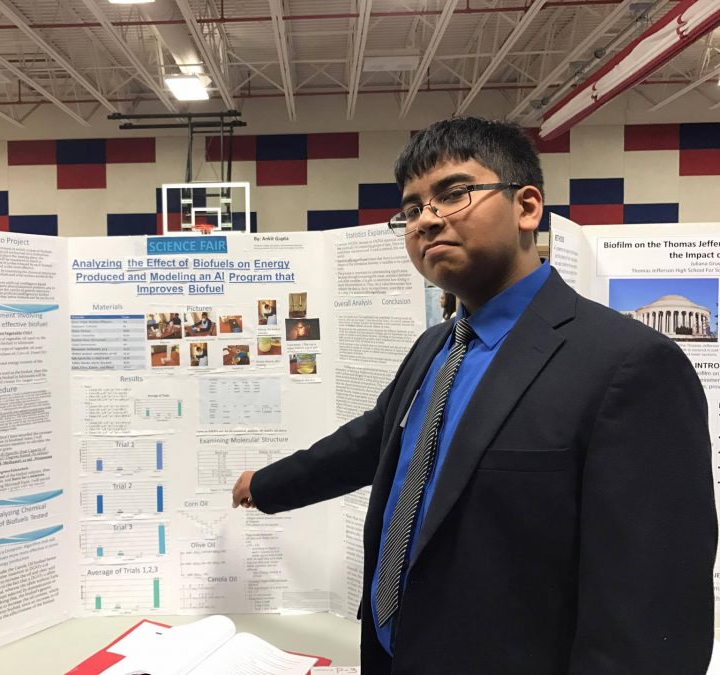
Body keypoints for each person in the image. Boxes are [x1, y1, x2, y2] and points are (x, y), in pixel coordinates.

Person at [231, 117, 716, 674]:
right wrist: (264, 486)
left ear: (526, 207)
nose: (427, 220)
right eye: (411, 208)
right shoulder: (435, 346)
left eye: (454, 194)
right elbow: (373, 441)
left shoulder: (629, 365)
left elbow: (651, 619)